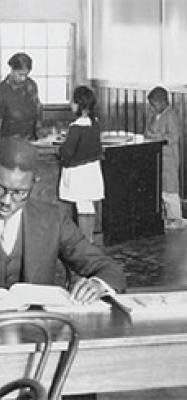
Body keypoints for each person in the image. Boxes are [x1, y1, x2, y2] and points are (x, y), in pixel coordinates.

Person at [0, 136, 125, 302]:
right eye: (0, 188)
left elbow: (108, 268)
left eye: (19, 193)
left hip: (39, 324)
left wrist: (98, 284)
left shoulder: (53, 219)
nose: (6, 201)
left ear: (34, 183)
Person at [58, 86, 105, 243]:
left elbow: (68, 152)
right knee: (87, 205)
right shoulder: (94, 123)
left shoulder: (76, 126)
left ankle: (84, 241)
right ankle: (88, 238)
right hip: (91, 170)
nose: (71, 105)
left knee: (81, 205)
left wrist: (61, 149)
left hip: (78, 173)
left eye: (73, 101)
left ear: (79, 104)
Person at [144, 87, 184, 230]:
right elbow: (147, 131)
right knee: (162, 189)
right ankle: (167, 217)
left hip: (169, 158)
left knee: (171, 190)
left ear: (163, 102)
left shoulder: (171, 115)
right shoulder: (155, 115)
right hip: (159, 157)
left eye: (154, 104)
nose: (152, 107)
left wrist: (155, 137)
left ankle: (176, 219)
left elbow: (173, 137)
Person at [0, 53, 42, 140]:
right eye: (20, 74)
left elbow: (38, 108)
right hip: (9, 140)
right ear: (12, 70)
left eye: (26, 75)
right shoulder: (3, 90)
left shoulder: (31, 85)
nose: (23, 78)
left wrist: (39, 129)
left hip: (30, 138)